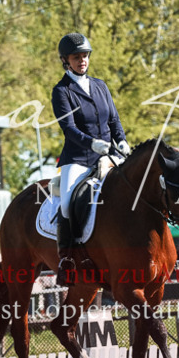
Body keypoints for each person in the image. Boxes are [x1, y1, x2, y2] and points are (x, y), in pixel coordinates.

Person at [51, 32, 131, 285]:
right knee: (66, 203)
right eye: (76, 57)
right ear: (66, 60)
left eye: (85, 55)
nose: (82, 60)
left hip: (110, 155)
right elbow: (69, 129)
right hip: (79, 157)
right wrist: (92, 143)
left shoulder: (100, 85)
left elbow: (114, 119)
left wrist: (122, 140)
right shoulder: (61, 91)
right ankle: (67, 258)